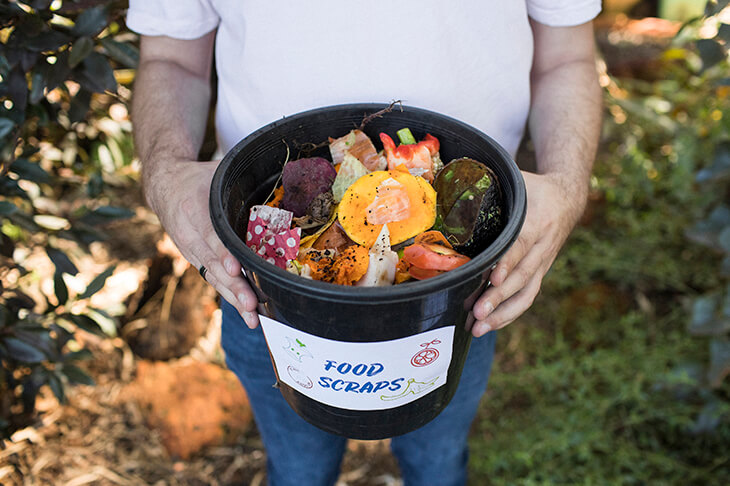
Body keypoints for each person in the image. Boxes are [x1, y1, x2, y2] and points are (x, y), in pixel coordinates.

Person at [128, 2, 602, 484]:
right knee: (297, 470)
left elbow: (566, 56)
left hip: (463, 273)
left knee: (437, 461)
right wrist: (165, 172)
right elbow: (171, 59)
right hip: (263, 271)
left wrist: (566, 185)